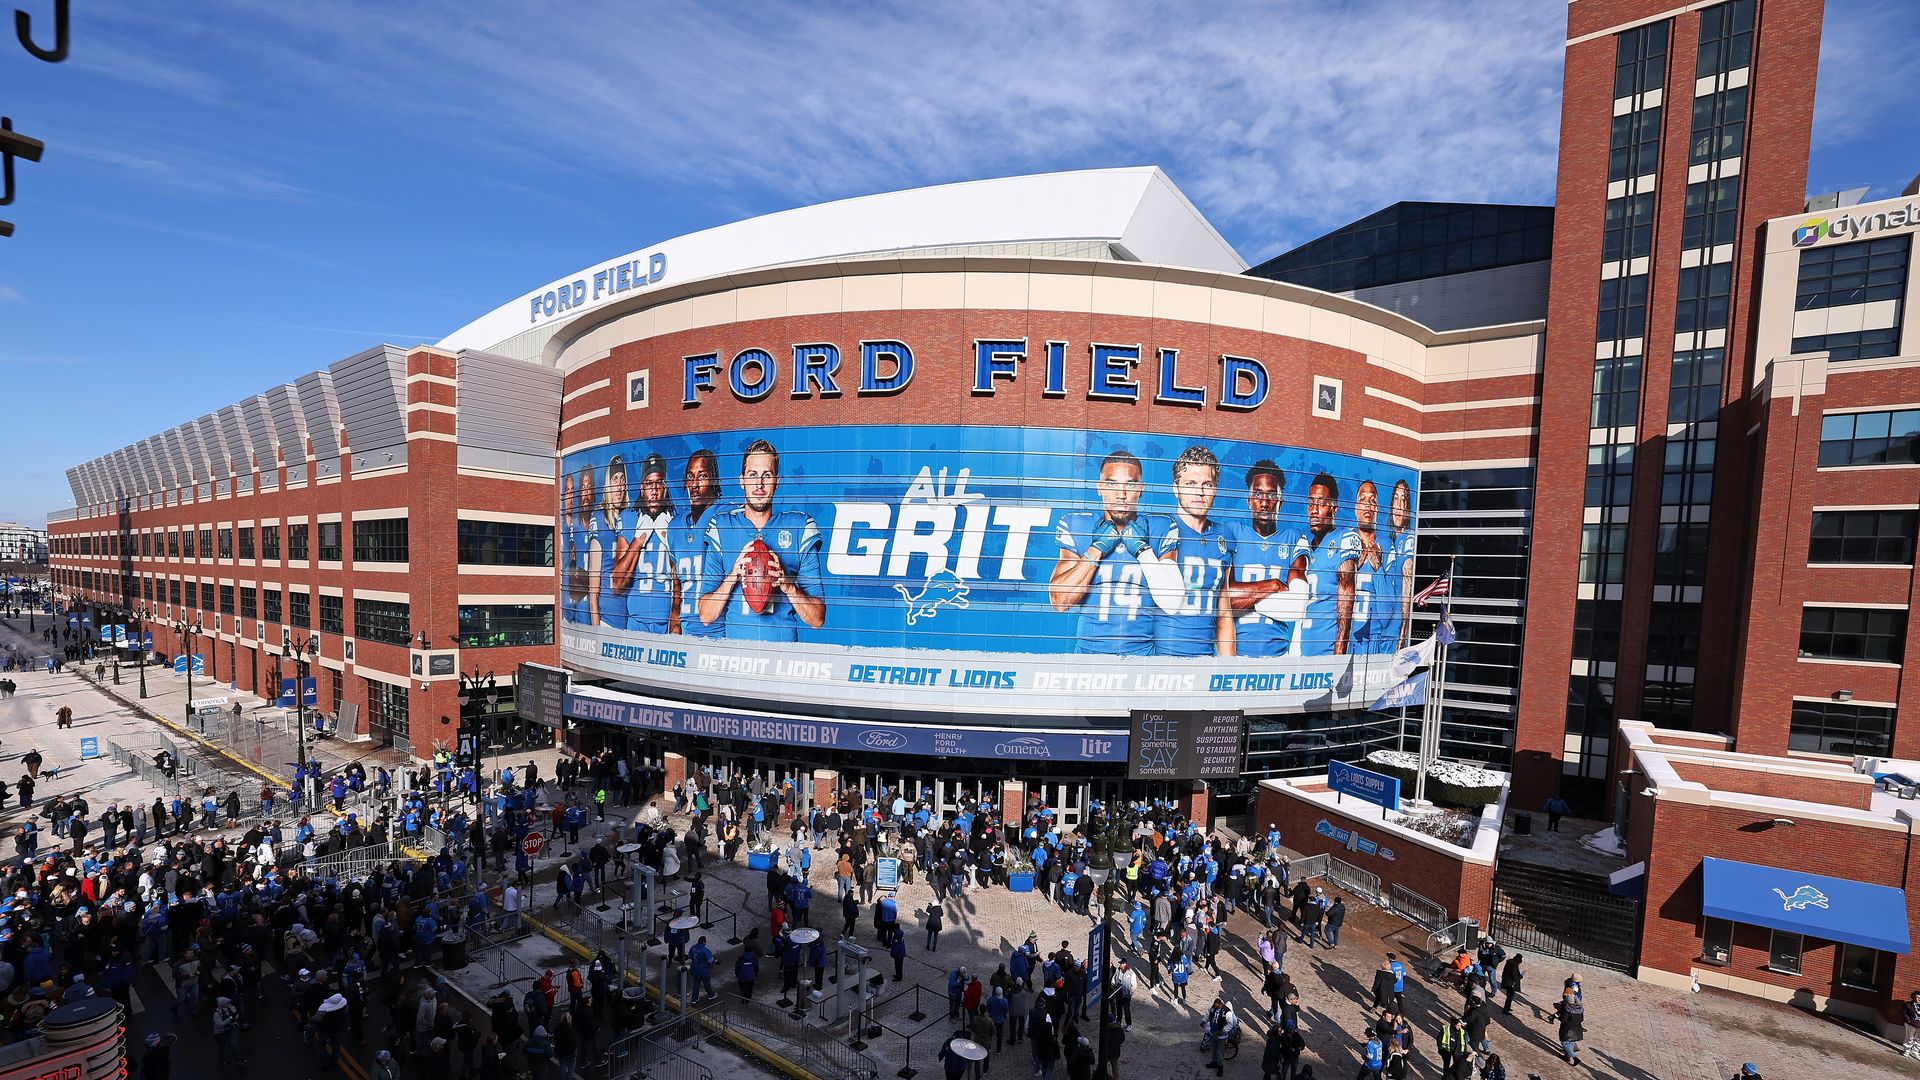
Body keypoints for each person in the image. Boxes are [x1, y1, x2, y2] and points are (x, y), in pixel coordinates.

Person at [1554, 989, 1585, 1066]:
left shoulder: (1568, 1010)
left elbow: (1563, 1020)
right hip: (1577, 1030)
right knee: (1571, 1042)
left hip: (1567, 1030)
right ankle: (1566, 1057)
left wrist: (1558, 1016)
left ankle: (1575, 1058)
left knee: (1565, 1043)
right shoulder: (1580, 1009)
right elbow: (1581, 1019)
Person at [1905, 989, 1920, 1059]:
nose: (1917, 999)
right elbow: (1904, 1013)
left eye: (1919, 998)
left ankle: (1915, 1052)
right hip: (1911, 1024)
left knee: (1918, 1039)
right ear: (1913, 997)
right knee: (1909, 1038)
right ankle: (1907, 1051)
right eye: (1915, 997)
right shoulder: (1907, 1004)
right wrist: (1909, 1021)